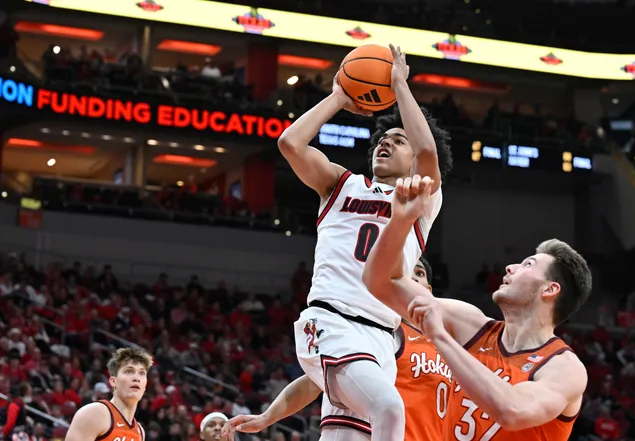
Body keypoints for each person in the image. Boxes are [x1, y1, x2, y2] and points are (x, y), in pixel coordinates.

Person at [279, 43, 452, 441]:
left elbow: (427, 149)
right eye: (381, 139)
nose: (384, 144)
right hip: (331, 319)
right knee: (390, 409)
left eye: (397, 139)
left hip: (380, 336)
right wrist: (339, 96)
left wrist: (399, 85)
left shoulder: (420, 199)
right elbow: (290, 143)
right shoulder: (340, 183)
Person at [362, 175, 592, 441]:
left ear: (549, 290)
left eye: (527, 264)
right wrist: (399, 223)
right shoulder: (471, 324)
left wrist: (440, 337)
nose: (510, 267)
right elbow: (379, 281)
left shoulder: (563, 368)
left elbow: (512, 411)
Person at [221, 257, 452, 441]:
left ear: (428, 289)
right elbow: (315, 380)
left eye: (419, 273)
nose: (412, 277)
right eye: (405, 270)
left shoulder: (448, 347)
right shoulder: (377, 329)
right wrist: (267, 417)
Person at [64, 347, 153, 441]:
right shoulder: (94, 413)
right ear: (114, 381)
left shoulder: (139, 431)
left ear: (145, 386)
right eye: (129, 371)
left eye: (142, 373)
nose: (136, 378)